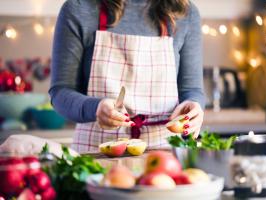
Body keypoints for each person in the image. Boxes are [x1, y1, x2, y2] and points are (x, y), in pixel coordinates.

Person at [49, 0, 205, 153]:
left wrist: (194, 105)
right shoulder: (79, 9)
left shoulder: (184, 12)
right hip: (96, 155)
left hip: (164, 157)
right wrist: (95, 108)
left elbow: (191, 89)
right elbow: (61, 92)